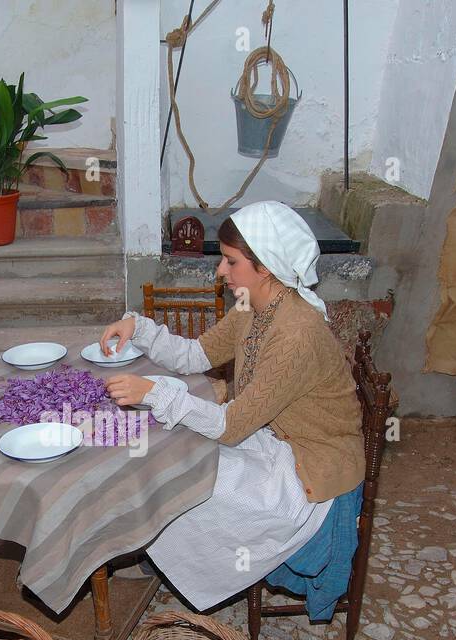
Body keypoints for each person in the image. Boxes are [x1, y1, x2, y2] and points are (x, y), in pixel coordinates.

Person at [100, 200, 365, 613]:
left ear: (267, 266)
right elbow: (197, 355)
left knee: (190, 477)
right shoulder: (253, 306)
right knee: (174, 456)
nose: (220, 271)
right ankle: (162, 553)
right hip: (273, 439)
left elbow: (231, 427)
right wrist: (142, 331)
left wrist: (155, 393)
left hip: (310, 467)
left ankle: (178, 559)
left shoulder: (296, 335)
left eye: (230, 261)